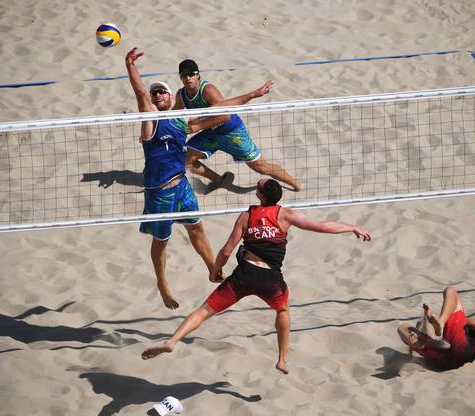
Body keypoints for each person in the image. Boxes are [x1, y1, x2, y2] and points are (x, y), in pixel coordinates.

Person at [140, 178, 371, 374]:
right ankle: (282, 359)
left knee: (203, 311)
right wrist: (351, 227)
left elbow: (227, 250)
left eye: (257, 187)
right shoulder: (286, 215)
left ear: (260, 196)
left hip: (244, 275)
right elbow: (322, 226)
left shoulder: (246, 216)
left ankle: (172, 341)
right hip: (271, 280)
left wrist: (214, 270)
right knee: (282, 310)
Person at [126, 47, 230, 310]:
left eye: (162, 91)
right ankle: (162, 284)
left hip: (181, 186)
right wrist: (130, 65)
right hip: (159, 191)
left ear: (172, 98)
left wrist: (253, 95)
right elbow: (139, 93)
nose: (158, 95)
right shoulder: (150, 120)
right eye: (155, 93)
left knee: (196, 227)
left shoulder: (182, 121)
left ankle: (212, 269)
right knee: (161, 242)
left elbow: (221, 109)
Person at [173, 58, 302, 191]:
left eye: (191, 74)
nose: (188, 78)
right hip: (211, 133)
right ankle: (220, 181)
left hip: (232, 133)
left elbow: (225, 115)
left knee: (260, 167)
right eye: (184, 75)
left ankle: (296, 184)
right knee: (185, 159)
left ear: (198, 74)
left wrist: (198, 126)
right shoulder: (181, 94)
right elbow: (174, 115)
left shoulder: (207, 90)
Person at [397, 287, 475, 370]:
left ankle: (439, 322)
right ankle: (415, 341)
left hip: (463, 350)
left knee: (451, 291)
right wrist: (428, 318)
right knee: (403, 328)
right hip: (448, 360)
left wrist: (448, 316)